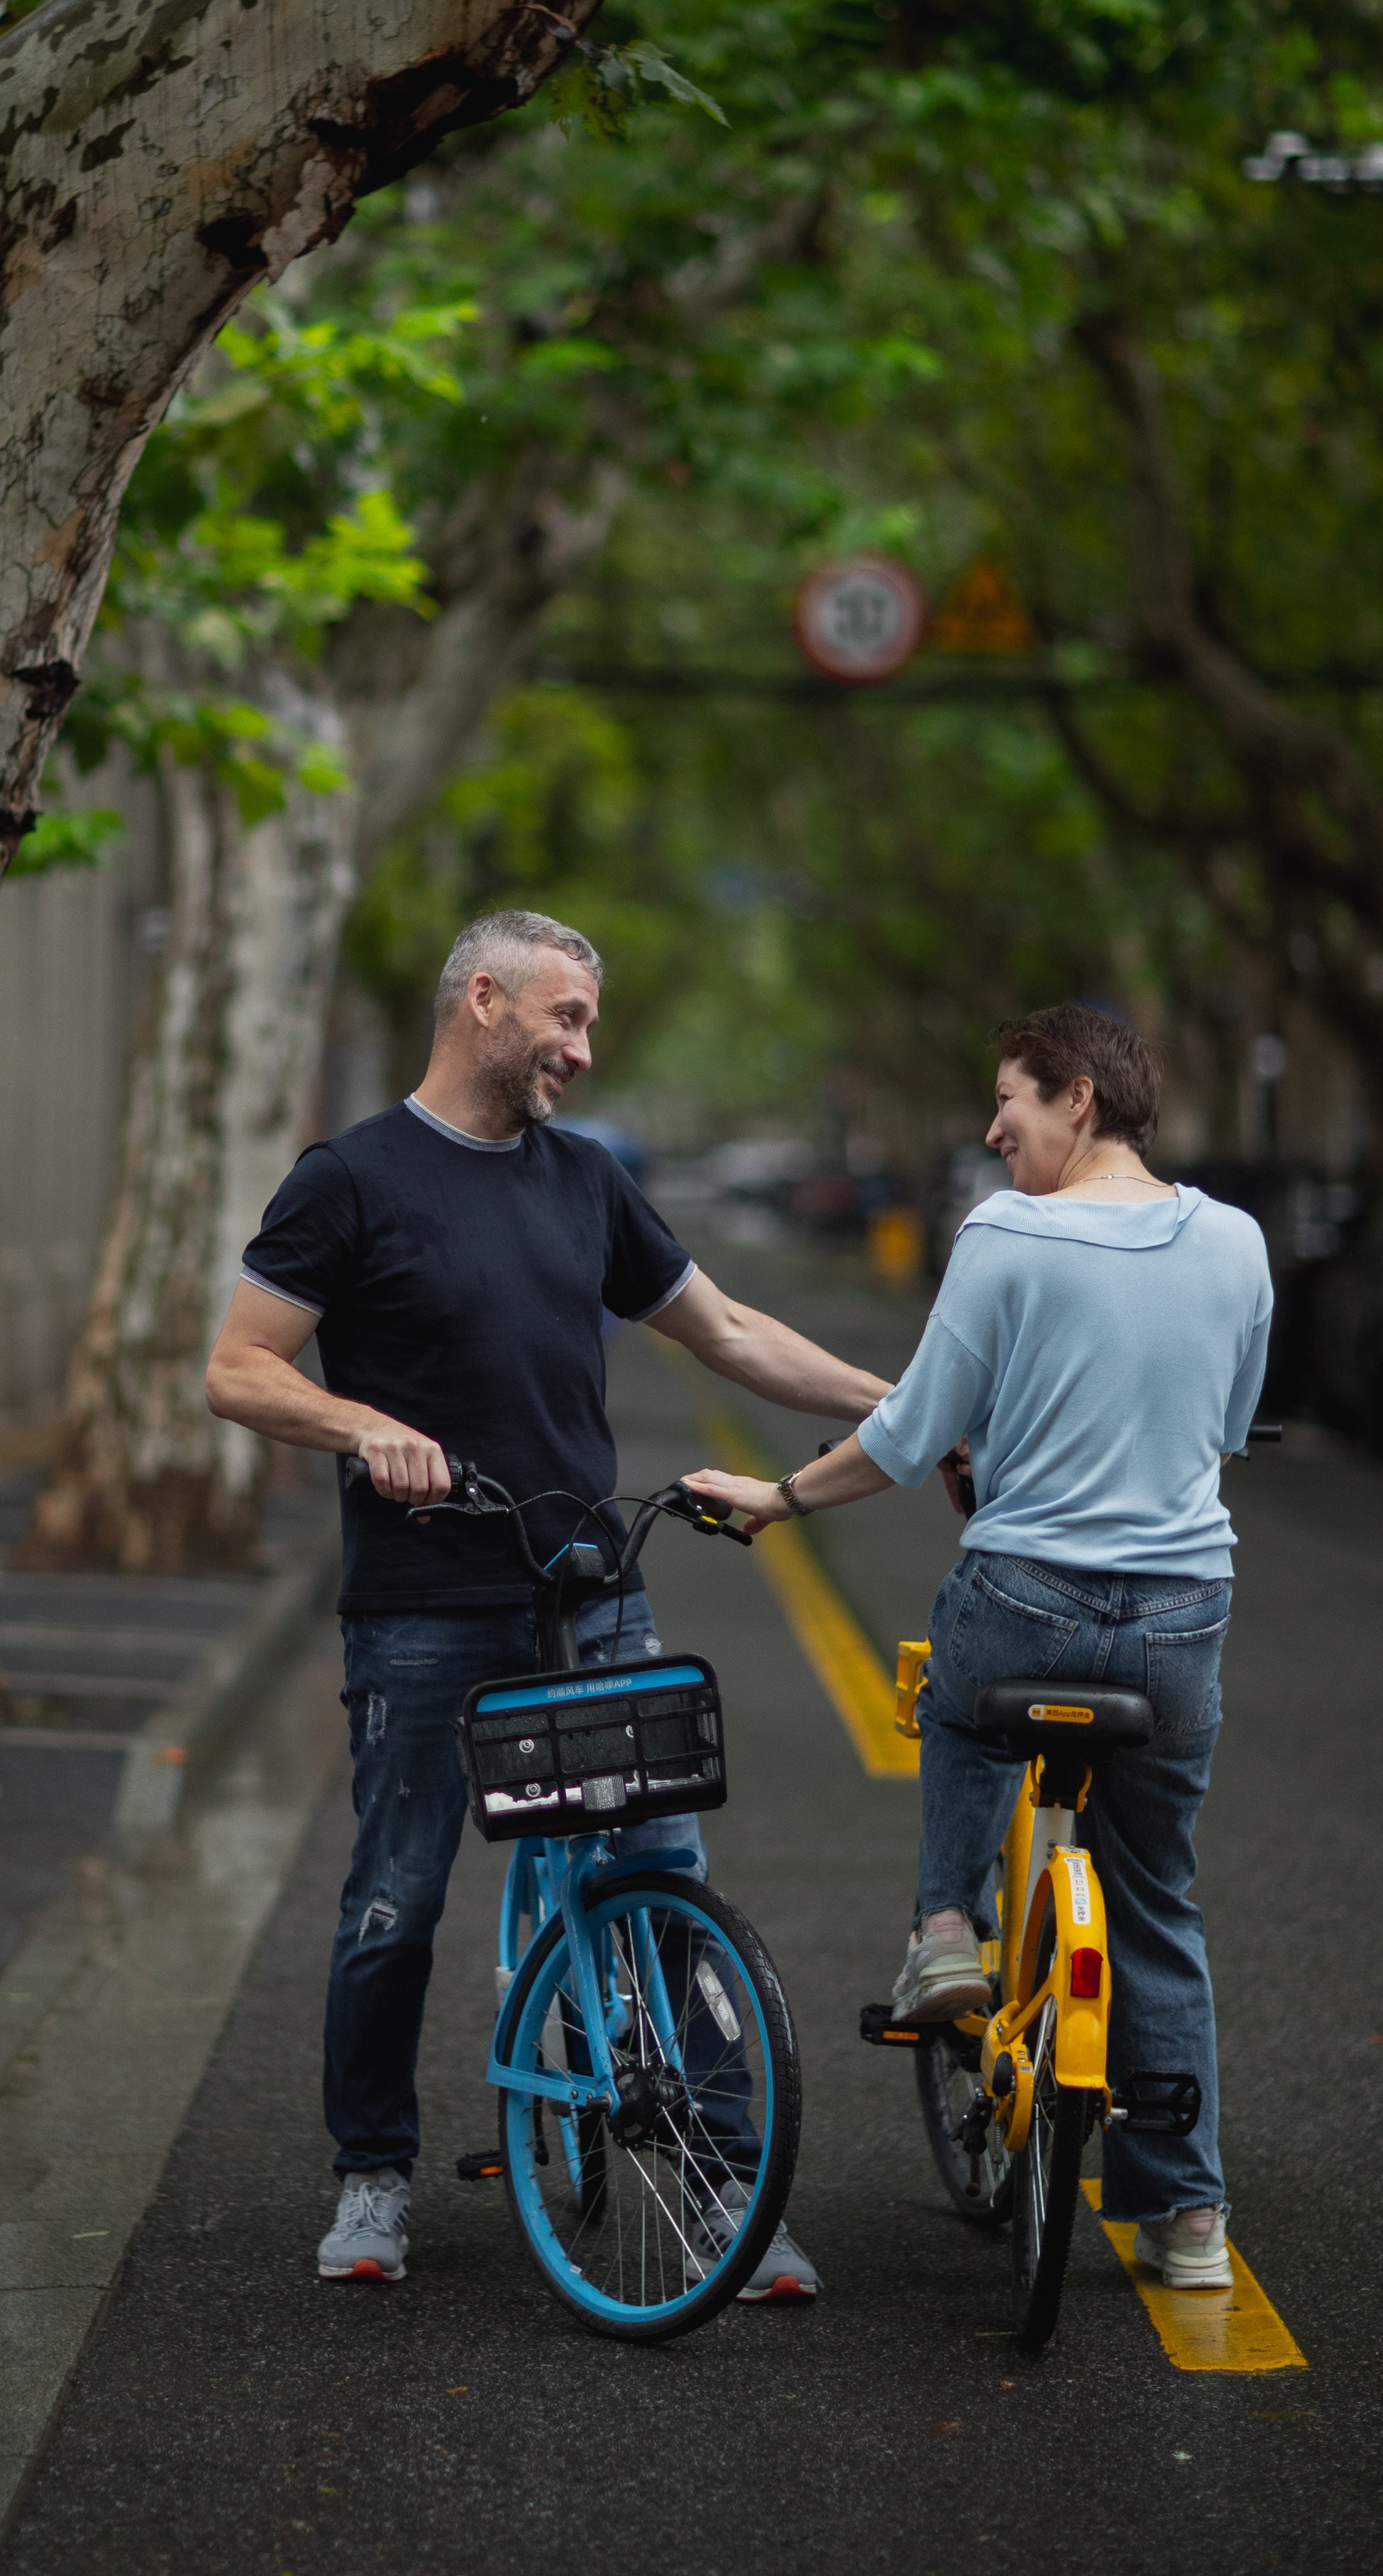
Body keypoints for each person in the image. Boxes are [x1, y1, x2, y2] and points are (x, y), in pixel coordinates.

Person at [204, 909, 893, 2298]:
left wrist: (911, 1405)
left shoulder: (587, 1183)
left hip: (592, 1591)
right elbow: (236, 1370)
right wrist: (358, 1428)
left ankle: (714, 2190)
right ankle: (373, 2183)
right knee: (395, 1899)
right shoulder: (350, 1179)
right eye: (565, 1017)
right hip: (421, 1606)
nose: (582, 1046)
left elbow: (733, 1333)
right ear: (482, 1005)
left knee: (661, 1877)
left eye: (587, 1021)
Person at [683, 1005, 1271, 2292]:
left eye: (1010, 1100)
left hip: (1028, 1597)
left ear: (1077, 1098)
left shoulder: (1003, 1235)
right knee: (1156, 1901)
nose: (994, 1127)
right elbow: (1226, 1427)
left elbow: (903, 1440)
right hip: (1183, 1616)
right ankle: (1189, 2225)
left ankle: (946, 1928)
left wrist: (780, 1499)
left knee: (954, 1702)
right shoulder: (1236, 1241)